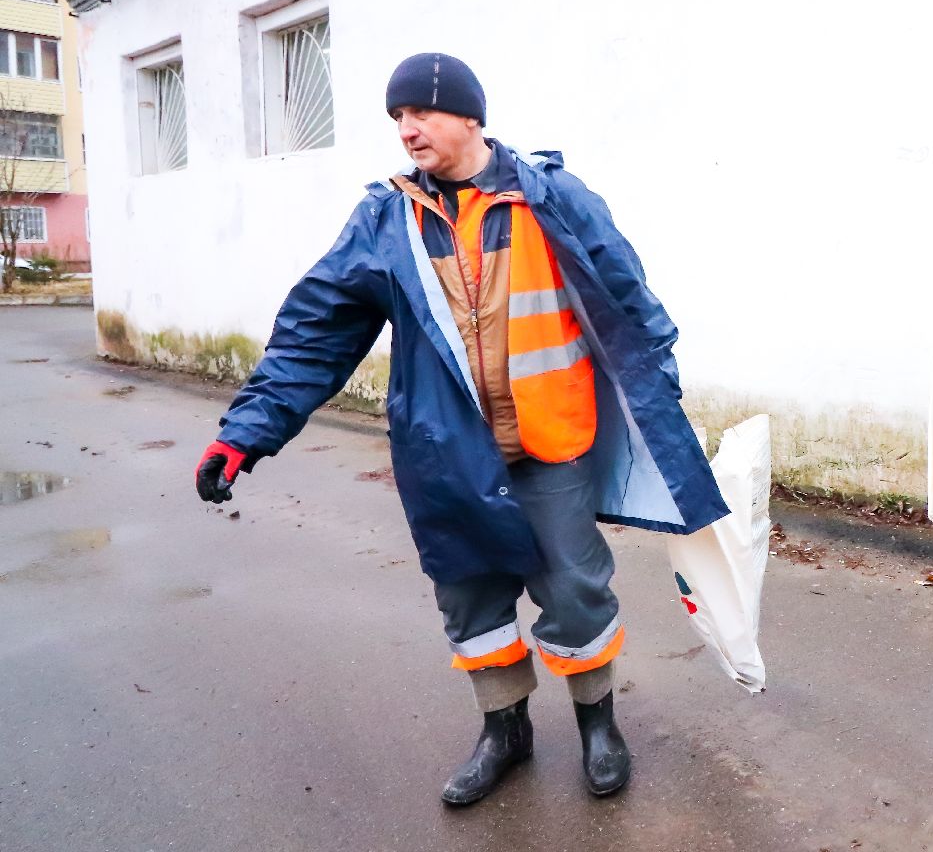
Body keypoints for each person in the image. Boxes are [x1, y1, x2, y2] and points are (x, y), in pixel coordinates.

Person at [193, 53, 728, 803]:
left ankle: (597, 723)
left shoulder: (550, 198)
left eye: (420, 113)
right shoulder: (387, 219)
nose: (406, 130)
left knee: (574, 590)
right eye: (396, 118)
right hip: (446, 452)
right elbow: (315, 332)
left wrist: (660, 406)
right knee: (471, 598)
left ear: (471, 116)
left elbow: (631, 304)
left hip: (551, 443)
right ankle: (504, 732)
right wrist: (244, 432)